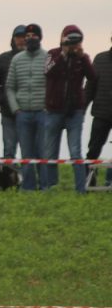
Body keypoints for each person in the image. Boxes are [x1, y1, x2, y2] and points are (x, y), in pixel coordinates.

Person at [44, 25, 96, 193]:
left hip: (75, 111)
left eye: (77, 40)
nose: (73, 44)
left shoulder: (82, 58)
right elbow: (48, 71)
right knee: (50, 151)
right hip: (53, 110)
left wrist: (83, 57)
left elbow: (93, 77)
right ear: (62, 39)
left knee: (75, 151)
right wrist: (63, 54)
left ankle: (80, 190)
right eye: (70, 40)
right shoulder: (53, 54)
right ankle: (50, 187)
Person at [6, 24, 48, 190]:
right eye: (27, 36)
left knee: (43, 152)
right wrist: (15, 108)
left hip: (42, 113)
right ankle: (28, 188)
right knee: (26, 153)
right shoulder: (16, 59)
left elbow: (52, 85)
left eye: (33, 35)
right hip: (22, 114)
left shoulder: (48, 57)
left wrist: (47, 107)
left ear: (40, 37)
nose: (30, 38)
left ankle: (45, 187)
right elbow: (10, 87)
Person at [0, 25, 27, 159]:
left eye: (24, 37)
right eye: (18, 37)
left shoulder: (38, 58)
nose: (21, 40)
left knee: (29, 153)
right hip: (8, 113)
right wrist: (1, 99)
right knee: (9, 152)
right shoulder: (2, 59)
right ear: (13, 39)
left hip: (30, 113)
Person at [86, 31, 112, 186]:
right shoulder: (100, 59)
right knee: (93, 149)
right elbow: (90, 85)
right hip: (101, 113)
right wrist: (82, 107)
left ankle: (110, 181)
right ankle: (89, 181)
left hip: (102, 112)